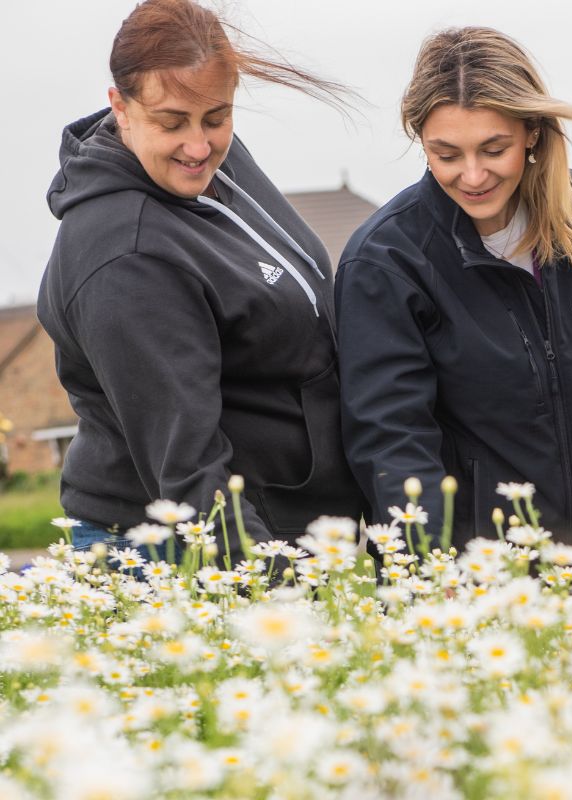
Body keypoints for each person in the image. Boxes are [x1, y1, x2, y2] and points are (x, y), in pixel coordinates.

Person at [38, 0, 364, 556]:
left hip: (283, 524)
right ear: (119, 106)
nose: (198, 146)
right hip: (176, 548)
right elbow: (189, 471)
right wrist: (271, 588)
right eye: (171, 123)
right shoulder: (128, 255)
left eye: (217, 117)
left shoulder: (214, 164)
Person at [337, 27, 572, 548]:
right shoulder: (385, 262)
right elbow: (392, 441)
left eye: (493, 149)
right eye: (446, 154)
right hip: (476, 578)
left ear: (532, 133)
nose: (472, 176)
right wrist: (431, 566)